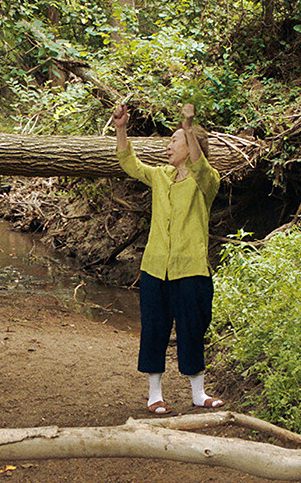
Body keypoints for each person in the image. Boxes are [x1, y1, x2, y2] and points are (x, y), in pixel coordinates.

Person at [113, 101, 225, 415]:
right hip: (154, 269)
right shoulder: (160, 176)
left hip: (190, 271)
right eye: (171, 141)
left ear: (191, 147)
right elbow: (129, 162)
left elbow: (202, 167)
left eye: (174, 141)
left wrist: (188, 128)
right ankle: (155, 395)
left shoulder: (206, 182)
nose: (168, 146)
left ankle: (199, 394)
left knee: (192, 329)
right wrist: (121, 128)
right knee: (154, 329)